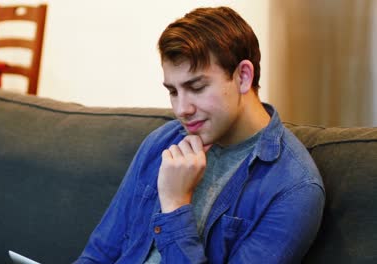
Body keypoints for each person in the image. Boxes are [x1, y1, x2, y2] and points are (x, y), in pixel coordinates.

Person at [75, 6, 324, 263]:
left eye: (197, 87)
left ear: (243, 77)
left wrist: (175, 205)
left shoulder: (294, 189)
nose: (182, 110)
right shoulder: (160, 143)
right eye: (173, 91)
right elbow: (97, 255)